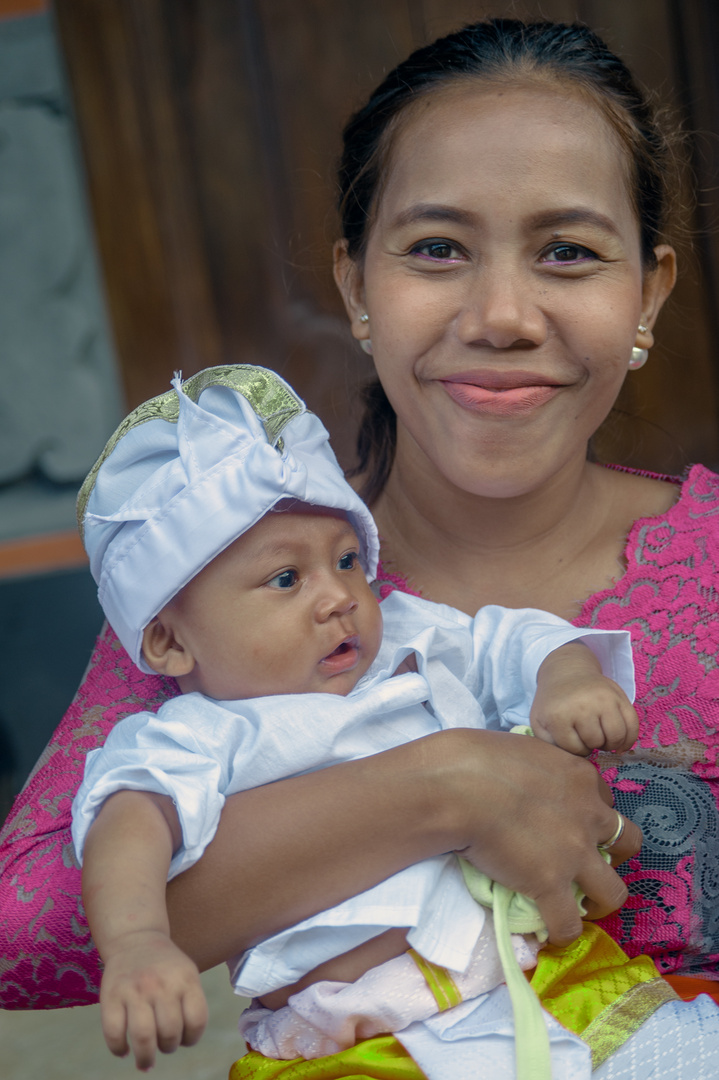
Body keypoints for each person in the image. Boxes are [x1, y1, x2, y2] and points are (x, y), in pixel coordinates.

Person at [3, 14, 719, 1077]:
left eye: (566, 251)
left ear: (646, 294)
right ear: (354, 289)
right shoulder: (233, 590)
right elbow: (27, 935)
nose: (501, 314)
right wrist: (444, 788)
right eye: (436, 249)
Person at [71, 363, 642, 1077]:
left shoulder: (407, 642)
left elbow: (512, 639)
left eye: (347, 560)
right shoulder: (200, 735)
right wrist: (137, 943)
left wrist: (566, 681)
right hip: (355, 1041)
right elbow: (128, 822)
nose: (339, 596)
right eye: (286, 578)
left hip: (544, 977)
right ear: (169, 641)